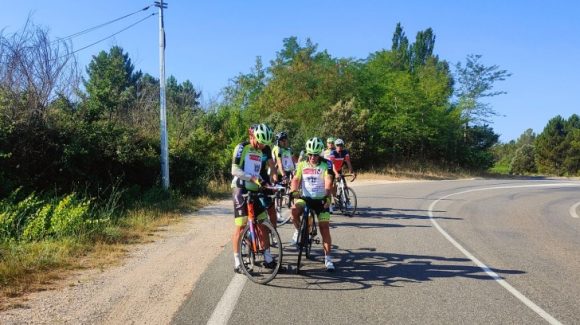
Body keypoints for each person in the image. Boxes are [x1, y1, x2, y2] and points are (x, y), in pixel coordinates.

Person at [230, 123, 275, 273]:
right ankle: (237, 261)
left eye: (265, 144)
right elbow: (234, 170)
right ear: (252, 136)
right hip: (240, 188)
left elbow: (261, 172)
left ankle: (268, 257)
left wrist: (269, 183)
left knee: (263, 222)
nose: (262, 146)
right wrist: (251, 178)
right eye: (260, 142)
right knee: (241, 225)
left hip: (255, 188)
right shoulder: (242, 148)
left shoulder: (261, 151)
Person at [289, 137, 336, 272]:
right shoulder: (303, 164)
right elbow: (296, 179)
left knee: (324, 228)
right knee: (294, 210)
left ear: (320, 153)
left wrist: (327, 197)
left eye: (316, 154)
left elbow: (329, 181)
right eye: (310, 154)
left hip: (322, 199)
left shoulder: (326, 164)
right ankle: (299, 230)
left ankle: (328, 259)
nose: (313, 157)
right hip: (305, 198)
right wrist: (293, 191)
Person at [329, 138, 356, 207]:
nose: (339, 147)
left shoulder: (345, 152)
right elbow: (332, 165)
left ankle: (347, 201)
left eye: (341, 145)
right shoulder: (333, 153)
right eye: (338, 145)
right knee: (331, 186)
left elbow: (348, 162)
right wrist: (336, 174)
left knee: (344, 184)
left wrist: (351, 172)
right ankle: (332, 203)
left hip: (339, 169)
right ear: (335, 146)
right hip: (331, 170)